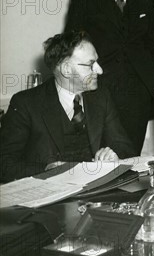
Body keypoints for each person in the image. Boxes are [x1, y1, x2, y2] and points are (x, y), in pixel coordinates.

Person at [65, 0, 154, 154]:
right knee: (101, 160)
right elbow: (72, 47)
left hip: (137, 95)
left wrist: (151, 82)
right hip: (99, 92)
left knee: (130, 161)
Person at [0, 31, 136, 182]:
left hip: (95, 192)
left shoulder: (101, 96)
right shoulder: (26, 103)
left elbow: (125, 147)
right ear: (66, 69)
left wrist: (114, 155)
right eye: (91, 64)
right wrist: (46, 170)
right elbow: (5, 163)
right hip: (49, 195)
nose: (100, 70)